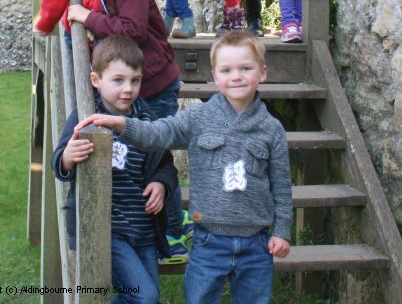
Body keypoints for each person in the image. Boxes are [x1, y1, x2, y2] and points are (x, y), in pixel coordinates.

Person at [76, 30, 292, 304]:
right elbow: (159, 133)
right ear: (215, 76)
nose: (236, 76)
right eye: (226, 70)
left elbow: (282, 186)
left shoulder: (272, 129)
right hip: (208, 240)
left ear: (262, 73)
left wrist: (282, 231)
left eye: (245, 68)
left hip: (256, 242)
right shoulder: (198, 118)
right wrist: (122, 124)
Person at [36, 0, 188, 258]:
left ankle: (175, 231)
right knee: (138, 156)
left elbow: (132, 31)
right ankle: (134, 224)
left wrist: (86, 17)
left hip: (154, 83)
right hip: (131, 86)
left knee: (157, 151)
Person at [52, 35, 178, 304]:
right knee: (145, 297)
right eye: (118, 80)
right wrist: (68, 157)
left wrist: (161, 184)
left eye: (135, 80)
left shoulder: (144, 117)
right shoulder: (86, 116)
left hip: (143, 228)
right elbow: (58, 163)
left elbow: (165, 162)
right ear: (96, 80)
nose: (128, 89)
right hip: (107, 230)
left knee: (145, 298)